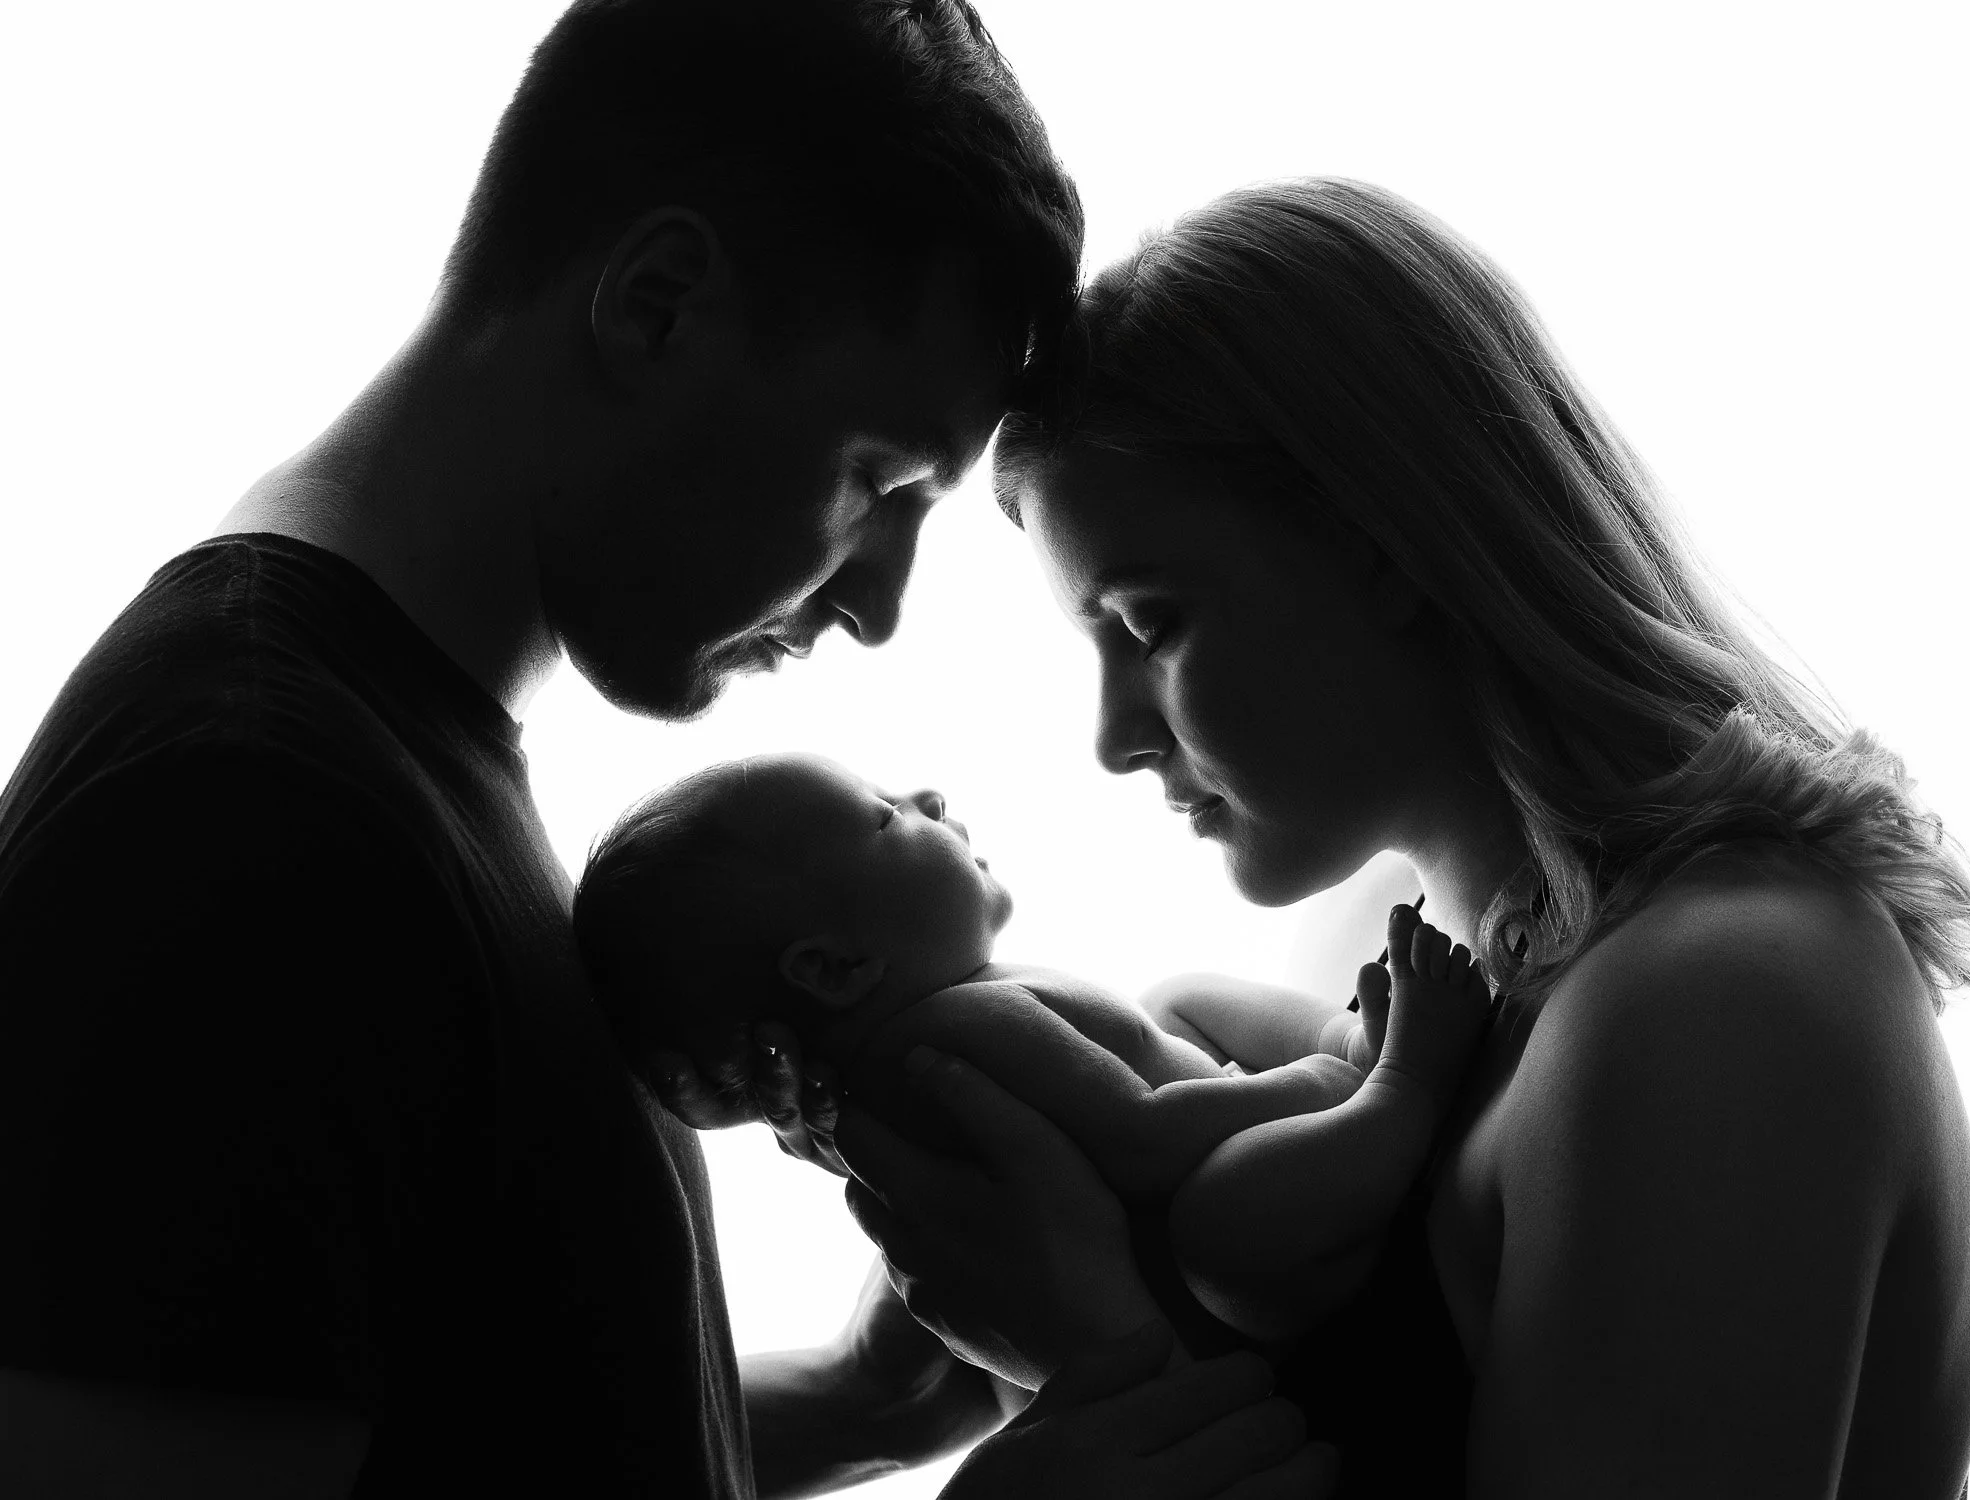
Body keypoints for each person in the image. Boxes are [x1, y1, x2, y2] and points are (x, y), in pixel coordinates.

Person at [0, 4, 1337, 1497]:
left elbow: (462, 1438)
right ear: (657, 303)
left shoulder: (379, 761)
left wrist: (864, 1406)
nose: (880, 606)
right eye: (878, 478)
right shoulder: (246, 822)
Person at [800, 177, 1970, 1497]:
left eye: (1151, 626)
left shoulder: (1719, 993)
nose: (1114, 739)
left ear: (1382, 545)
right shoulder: (1441, 989)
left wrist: (1103, 1348)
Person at [572, 751, 1493, 1352]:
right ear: (838, 966)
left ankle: (1353, 1037)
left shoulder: (930, 1039)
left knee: (1176, 999)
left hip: (1240, 1155)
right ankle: (1397, 1082)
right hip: (1253, 1259)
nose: (927, 795)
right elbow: (1146, 1138)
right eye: (886, 816)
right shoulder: (947, 1034)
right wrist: (1317, 1085)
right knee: (1225, 1218)